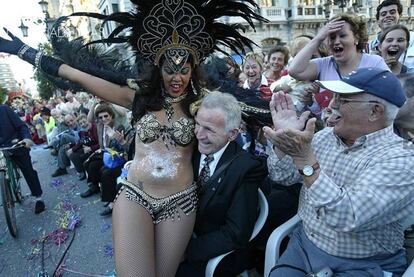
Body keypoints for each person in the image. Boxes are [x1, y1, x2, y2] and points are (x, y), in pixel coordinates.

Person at [0, 0, 264, 275]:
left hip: (180, 202)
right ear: (158, 68)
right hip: (136, 196)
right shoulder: (136, 97)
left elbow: (248, 111)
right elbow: (77, 75)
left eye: (184, 70)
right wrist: (23, 51)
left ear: (193, 69)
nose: (177, 77)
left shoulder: (203, 102)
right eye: (169, 70)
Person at [263, 67, 414, 276]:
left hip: (363, 263)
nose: (332, 104)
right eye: (335, 96)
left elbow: (345, 217)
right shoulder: (326, 136)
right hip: (305, 246)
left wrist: (304, 159)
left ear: (375, 111)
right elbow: (282, 176)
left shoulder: (402, 160)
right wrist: (284, 139)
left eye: (343, 99)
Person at [176, 91, 268, 276]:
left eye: (209, 129)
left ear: (232, 134)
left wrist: (186, 252)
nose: (199, 134)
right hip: (179, 234)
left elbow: (235, 233)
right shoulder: (190, 148)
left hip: (213, 253)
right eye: (197, 125)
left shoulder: (245, 169)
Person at [289, 13, 389, 111]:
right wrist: (318, 38)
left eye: (342, 36)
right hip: (331, 126)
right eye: (332, 37)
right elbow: (294, 70)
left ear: (356, 38)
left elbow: (391, 94)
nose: (336, 41)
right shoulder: (323, 64)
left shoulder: (375, 62)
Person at [0, 104, 45, 214]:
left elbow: (21, 126)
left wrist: (26, 138)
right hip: (1, 150)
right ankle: (7, 195)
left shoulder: (4, 109)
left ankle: (38, 198)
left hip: (16, 144)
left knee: (28, 171)